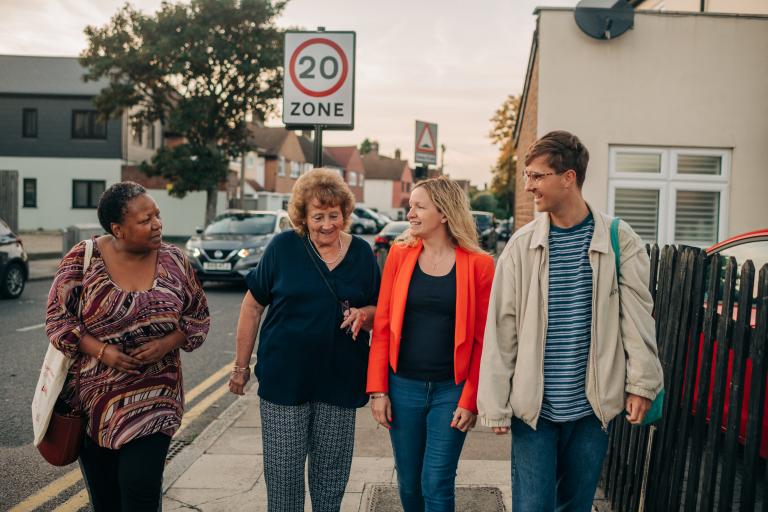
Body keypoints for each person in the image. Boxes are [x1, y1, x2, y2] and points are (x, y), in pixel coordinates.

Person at [477, 130, 664, 512]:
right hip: (534, 411)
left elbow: (638, 317)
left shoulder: (619, 239)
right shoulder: (521, 246)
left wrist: (642, 384)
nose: (529, 186)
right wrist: (495, 402)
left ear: (569, 178)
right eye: (527, 175)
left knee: (575, 507)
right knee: (532, 507)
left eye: (537, 175)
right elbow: (502, 328)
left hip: (590, 411)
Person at [45, 181, 209, 511]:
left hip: (155, 401)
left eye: (157, 216)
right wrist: (102, 351)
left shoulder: (175, 260)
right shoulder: (84, 259)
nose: (158, 224)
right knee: (106, 500)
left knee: (140, 490)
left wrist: (166, 344)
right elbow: (58, 321)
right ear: (118, 229)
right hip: (95, 405)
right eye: (146, 219)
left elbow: (198, 316)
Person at [228, 168, 380, 511]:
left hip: (340, 381)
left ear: (345, 213)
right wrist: (241, 366)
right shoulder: (283, 247)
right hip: (285, 381)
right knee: (284, 483)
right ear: (302, 217)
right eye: (318, 216)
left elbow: (377, 306)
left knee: (331, 483)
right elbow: (252, 307)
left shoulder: (361, 254)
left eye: (334, 215)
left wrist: (364, 315)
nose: (327, 224)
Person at [367, 176, 495, 512]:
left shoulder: (480, 265)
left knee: (436, 481)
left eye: (419, 206)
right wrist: (378, 391)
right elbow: (382, 326)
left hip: (451, 391)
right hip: (402, 386)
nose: (410, 213)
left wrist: (471, 400)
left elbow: (484, 340)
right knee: (409, 483)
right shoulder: (399, 255)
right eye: (410, 206)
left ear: (444, 213)